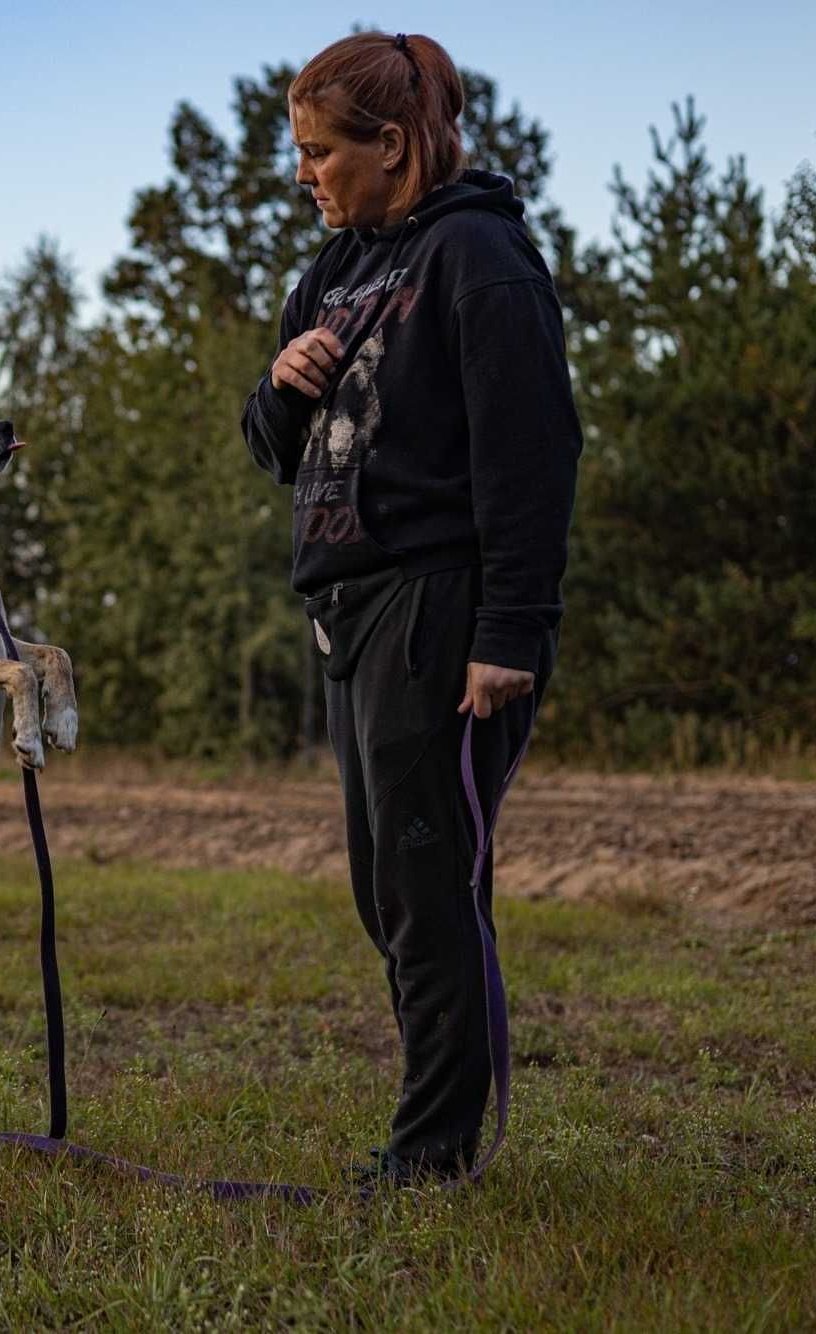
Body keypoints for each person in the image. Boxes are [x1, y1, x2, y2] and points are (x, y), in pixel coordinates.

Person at [238, 31, 581, 1188]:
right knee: (384, 889)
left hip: (441, 610)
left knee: (429, 887)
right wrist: (279, 392)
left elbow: (533, 457)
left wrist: (507, 637)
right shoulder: (336, 266)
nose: (304, 174)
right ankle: (430, 1131)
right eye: (299, 152)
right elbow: (267, 444)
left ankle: (431, 1155)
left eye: (318, 151)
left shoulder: (478, 255)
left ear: (391, 145)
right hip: (352, 609)